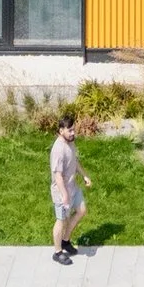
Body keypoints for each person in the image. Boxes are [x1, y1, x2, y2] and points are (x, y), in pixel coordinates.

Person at [49, 108, 87, 265]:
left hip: (73, 187)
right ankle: (58, 252)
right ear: (61, 131)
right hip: (61, 192)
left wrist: (84, 175)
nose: (73, 133)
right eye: (70, 130)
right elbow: (57, 176)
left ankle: (66, 240)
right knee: (61, 221)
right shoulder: (58, 150)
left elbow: (75, 161)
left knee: (82, 210)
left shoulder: (70, 142)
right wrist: (64, 195)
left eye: (73, 129)